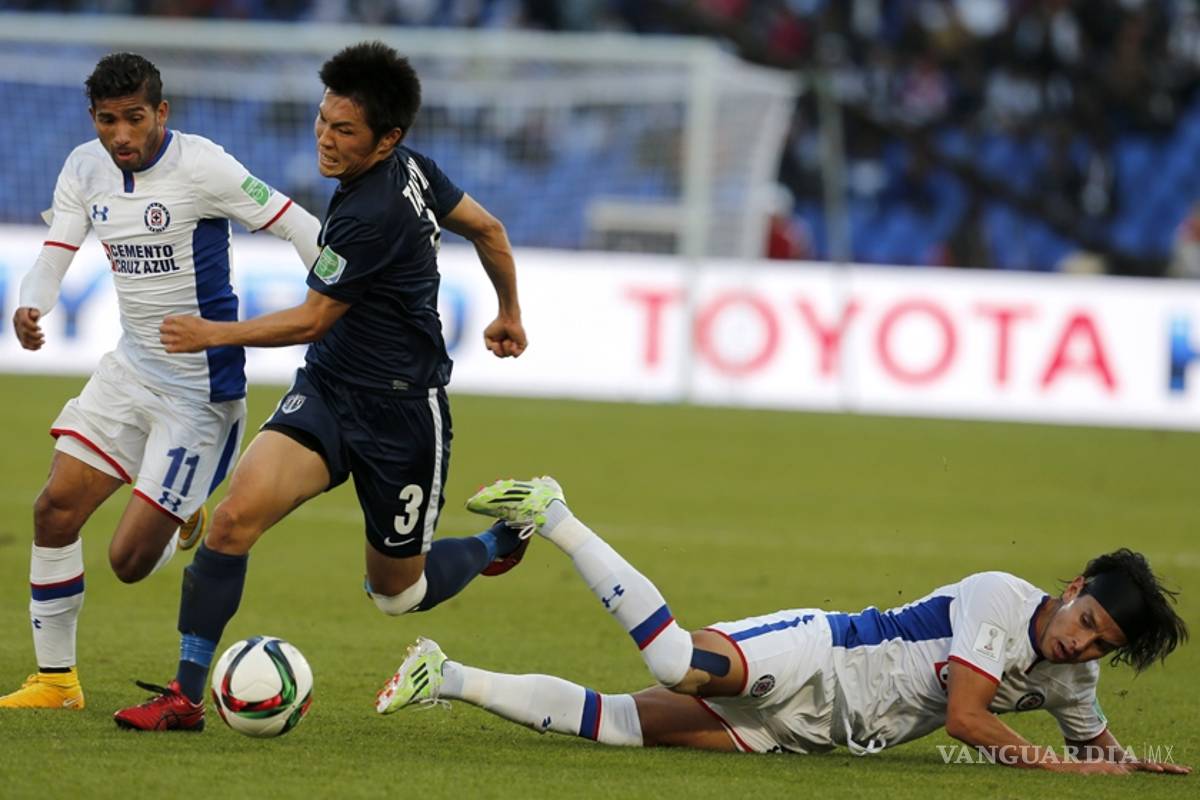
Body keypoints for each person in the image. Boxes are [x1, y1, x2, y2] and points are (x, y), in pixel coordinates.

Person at [112, 41, 528, 731]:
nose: (325, 141)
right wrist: (509, 312)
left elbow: (311, 318)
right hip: (331, 390)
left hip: (402, 413)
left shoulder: (375, 212)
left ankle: (499, 542)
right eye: (322, 122)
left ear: (386, 138)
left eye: (345, 132)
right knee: (234, 520)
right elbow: (488, 229)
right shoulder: (409, 168)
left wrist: (212, 332)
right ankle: (184, 696)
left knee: (397, 592)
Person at [380, 476, 1191, 775]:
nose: (1080, 644)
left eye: (1099, 645)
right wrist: (1060, 767)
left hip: (808, 733)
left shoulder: (1072, 675)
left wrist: (1128, 762)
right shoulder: (1000, 601)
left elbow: (1093, 740)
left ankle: (440, 674)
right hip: (817, 657)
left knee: (618, 726)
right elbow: (969, 718)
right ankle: (553, 513)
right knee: (671, 663)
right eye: (1087, 620)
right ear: (1074, 587)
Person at [0, 53, 322, 711]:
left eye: (135, 118)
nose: (121, 135)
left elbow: (296, 223)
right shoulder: (84, 167)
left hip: (197, 394)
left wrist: (341, 299)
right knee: (53, 509)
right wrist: (33, 304)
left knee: (128, 561)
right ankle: (57, 683)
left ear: (162, 113)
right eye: (108, 121)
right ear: (94, 118)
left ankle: (189, 502)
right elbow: (57, 249)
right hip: (129, 370)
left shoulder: (202, 166)